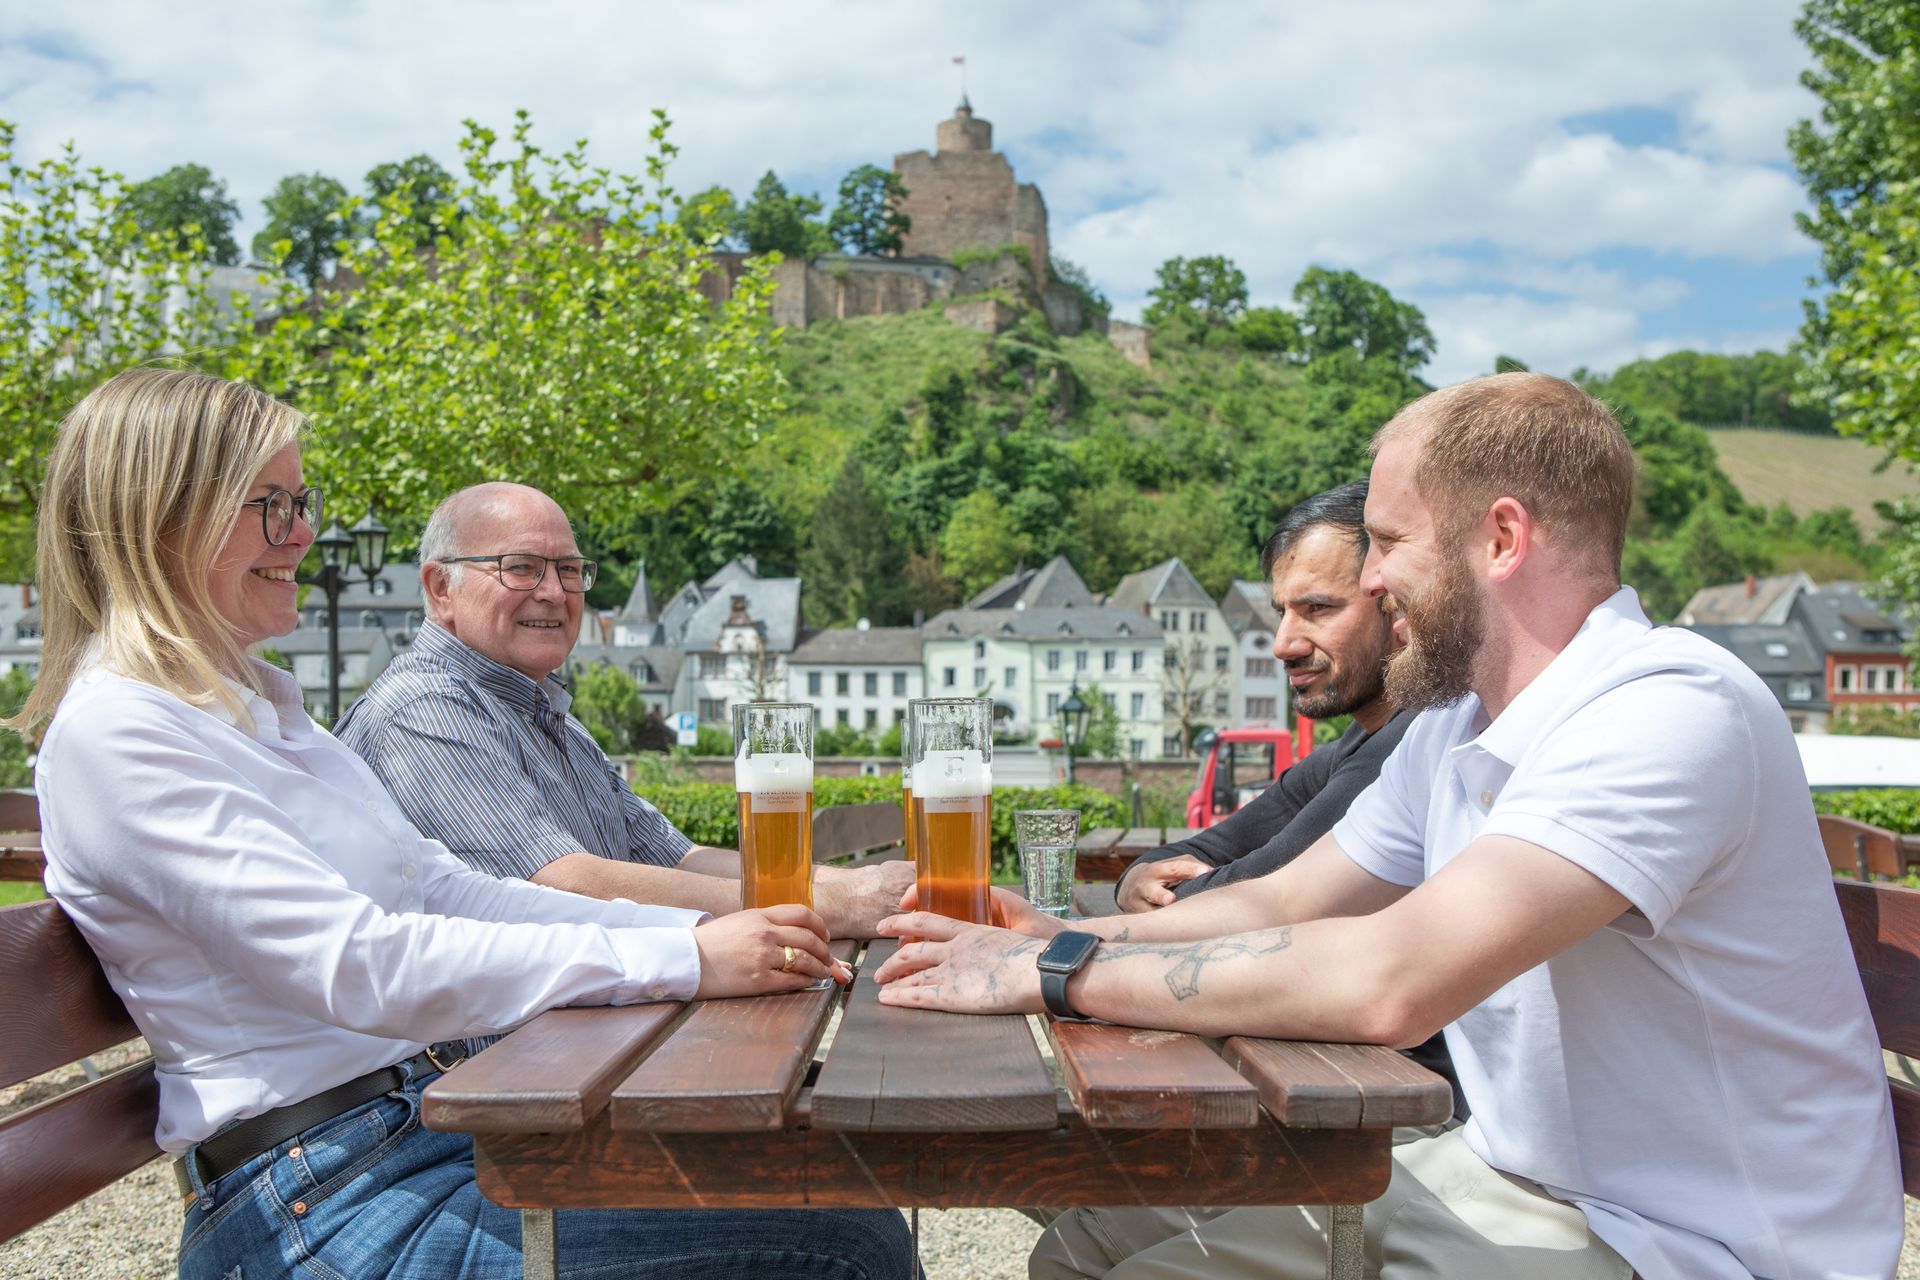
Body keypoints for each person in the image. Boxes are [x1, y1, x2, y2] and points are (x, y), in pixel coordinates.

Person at [874, 372, 1902, 1280]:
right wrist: (1053, 936)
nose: (1369, 578)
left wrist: (1056, 974)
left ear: (1502, 539)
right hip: (1515, 1177)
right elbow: (1283, 900)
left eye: (1390, 540)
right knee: (1088, 1242)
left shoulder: (1666, 708)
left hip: (1694, 1240)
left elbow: (1389, 979)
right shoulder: (1456, 723)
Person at [19, 368, 913, 1280]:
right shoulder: (121, 732)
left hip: (413, 1134)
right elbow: (359, 965)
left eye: (301, 502)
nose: (303, 532)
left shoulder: (262, 717)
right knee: (837, 1238)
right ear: (162, 520)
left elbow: (447, 890)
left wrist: (699, 938)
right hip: (317, 1202)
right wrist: (688, 957)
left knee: (831, 1188)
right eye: (270, 505)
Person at [336, 482, 913, 936]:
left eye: (569, 570)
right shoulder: (424, 709)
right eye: (522, 567)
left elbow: (678, 859)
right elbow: (562, 886)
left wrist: (855, 884)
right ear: (441, 588)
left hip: (593, 1029)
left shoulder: (548, 715)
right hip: (509, 1050)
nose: (554, 592)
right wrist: (830, 903)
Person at [1116, 480, 1409, 912]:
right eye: (1282, 612)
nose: (1282, 645)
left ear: (1398, 605)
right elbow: (1215, 846)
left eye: (1317, 608)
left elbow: (1261, 886)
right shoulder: (1358, 741)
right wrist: (1136, 877)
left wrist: (1149, 888)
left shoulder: (1406, 741)